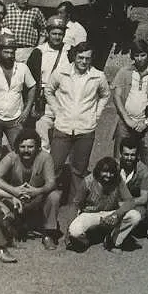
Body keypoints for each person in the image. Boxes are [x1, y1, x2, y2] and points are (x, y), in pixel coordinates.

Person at [45, 42, 110, 195]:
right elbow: (49, 91)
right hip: (63, 127)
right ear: (74, 56)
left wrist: (96, 114)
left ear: (91, 59)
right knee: (54, 167)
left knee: (79, 171)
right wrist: (57, 111)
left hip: (85, 129)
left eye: (87, 58)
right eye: (80, 57)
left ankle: (74, 203)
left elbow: (105, 95)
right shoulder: (61, 72)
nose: (83, 61)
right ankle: (49, 200)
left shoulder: (98, 76)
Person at [0, 128, 62, 249]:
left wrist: (37, 191)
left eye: (30, 147)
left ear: (37, 147)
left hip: (37, 199)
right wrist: (13, 190)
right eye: (22, 147)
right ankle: (5, 229)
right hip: (14, 198)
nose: (26, 150)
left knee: (54, 195)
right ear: (17, 147)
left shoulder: (45, 157)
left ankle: (48, 234)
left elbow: (51, 182)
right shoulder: (12, 156)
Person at [111, 40, 148, 167]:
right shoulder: (124, 72)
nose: (139, 59)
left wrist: (147, 122)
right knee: (120, 160)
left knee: (147, 163)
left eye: (143, 55)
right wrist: (127, 119)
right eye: (136, 55)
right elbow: (117, 96)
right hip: (126, 123)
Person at [66, 157, 141, 252]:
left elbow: (130, 201)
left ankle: (113, 241)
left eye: (112, 172)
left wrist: (116, 214)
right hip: (90, 214)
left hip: (110, 213)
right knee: (74, 232)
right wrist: (68, 228)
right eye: (105, 172)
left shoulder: (117, 180)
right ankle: (88, 239)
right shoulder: (88, 181)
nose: (108, 175)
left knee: (135, 216)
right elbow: (75, 204)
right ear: (99, 170)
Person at [0, 35, 37, 166]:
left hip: (15, 119)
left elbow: (32, 87)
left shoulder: (22, 68)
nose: (9, 55)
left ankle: (17, 177)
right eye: (6, 52)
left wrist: (27, 110)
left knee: (19, 152)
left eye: (12, 52)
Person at [27, 15, 72, 147]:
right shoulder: (39, 52)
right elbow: (31, 79)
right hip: (44, 100)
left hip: (64, 99)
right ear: (48, 33)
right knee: (42, 135)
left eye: (60, 34)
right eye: (54, 33)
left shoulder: (70, 51)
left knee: (62, 137)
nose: (57, 37)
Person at [117, 138, 148, 243]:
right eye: (126, 154)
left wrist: (126, 204)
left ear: (137, 155)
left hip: (133, 202)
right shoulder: (114, 166)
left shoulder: (144, 171)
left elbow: (144, 198)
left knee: (140, 214)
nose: (129, 158)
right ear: (120, 154)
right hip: (114, 200)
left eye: (132, 155)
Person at [4, 0, 46, 64]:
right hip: (8, 49)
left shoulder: (35, 11)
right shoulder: (6, 9)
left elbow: (45, 29)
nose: (26, 1)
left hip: (27, 51)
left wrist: (38, 46)